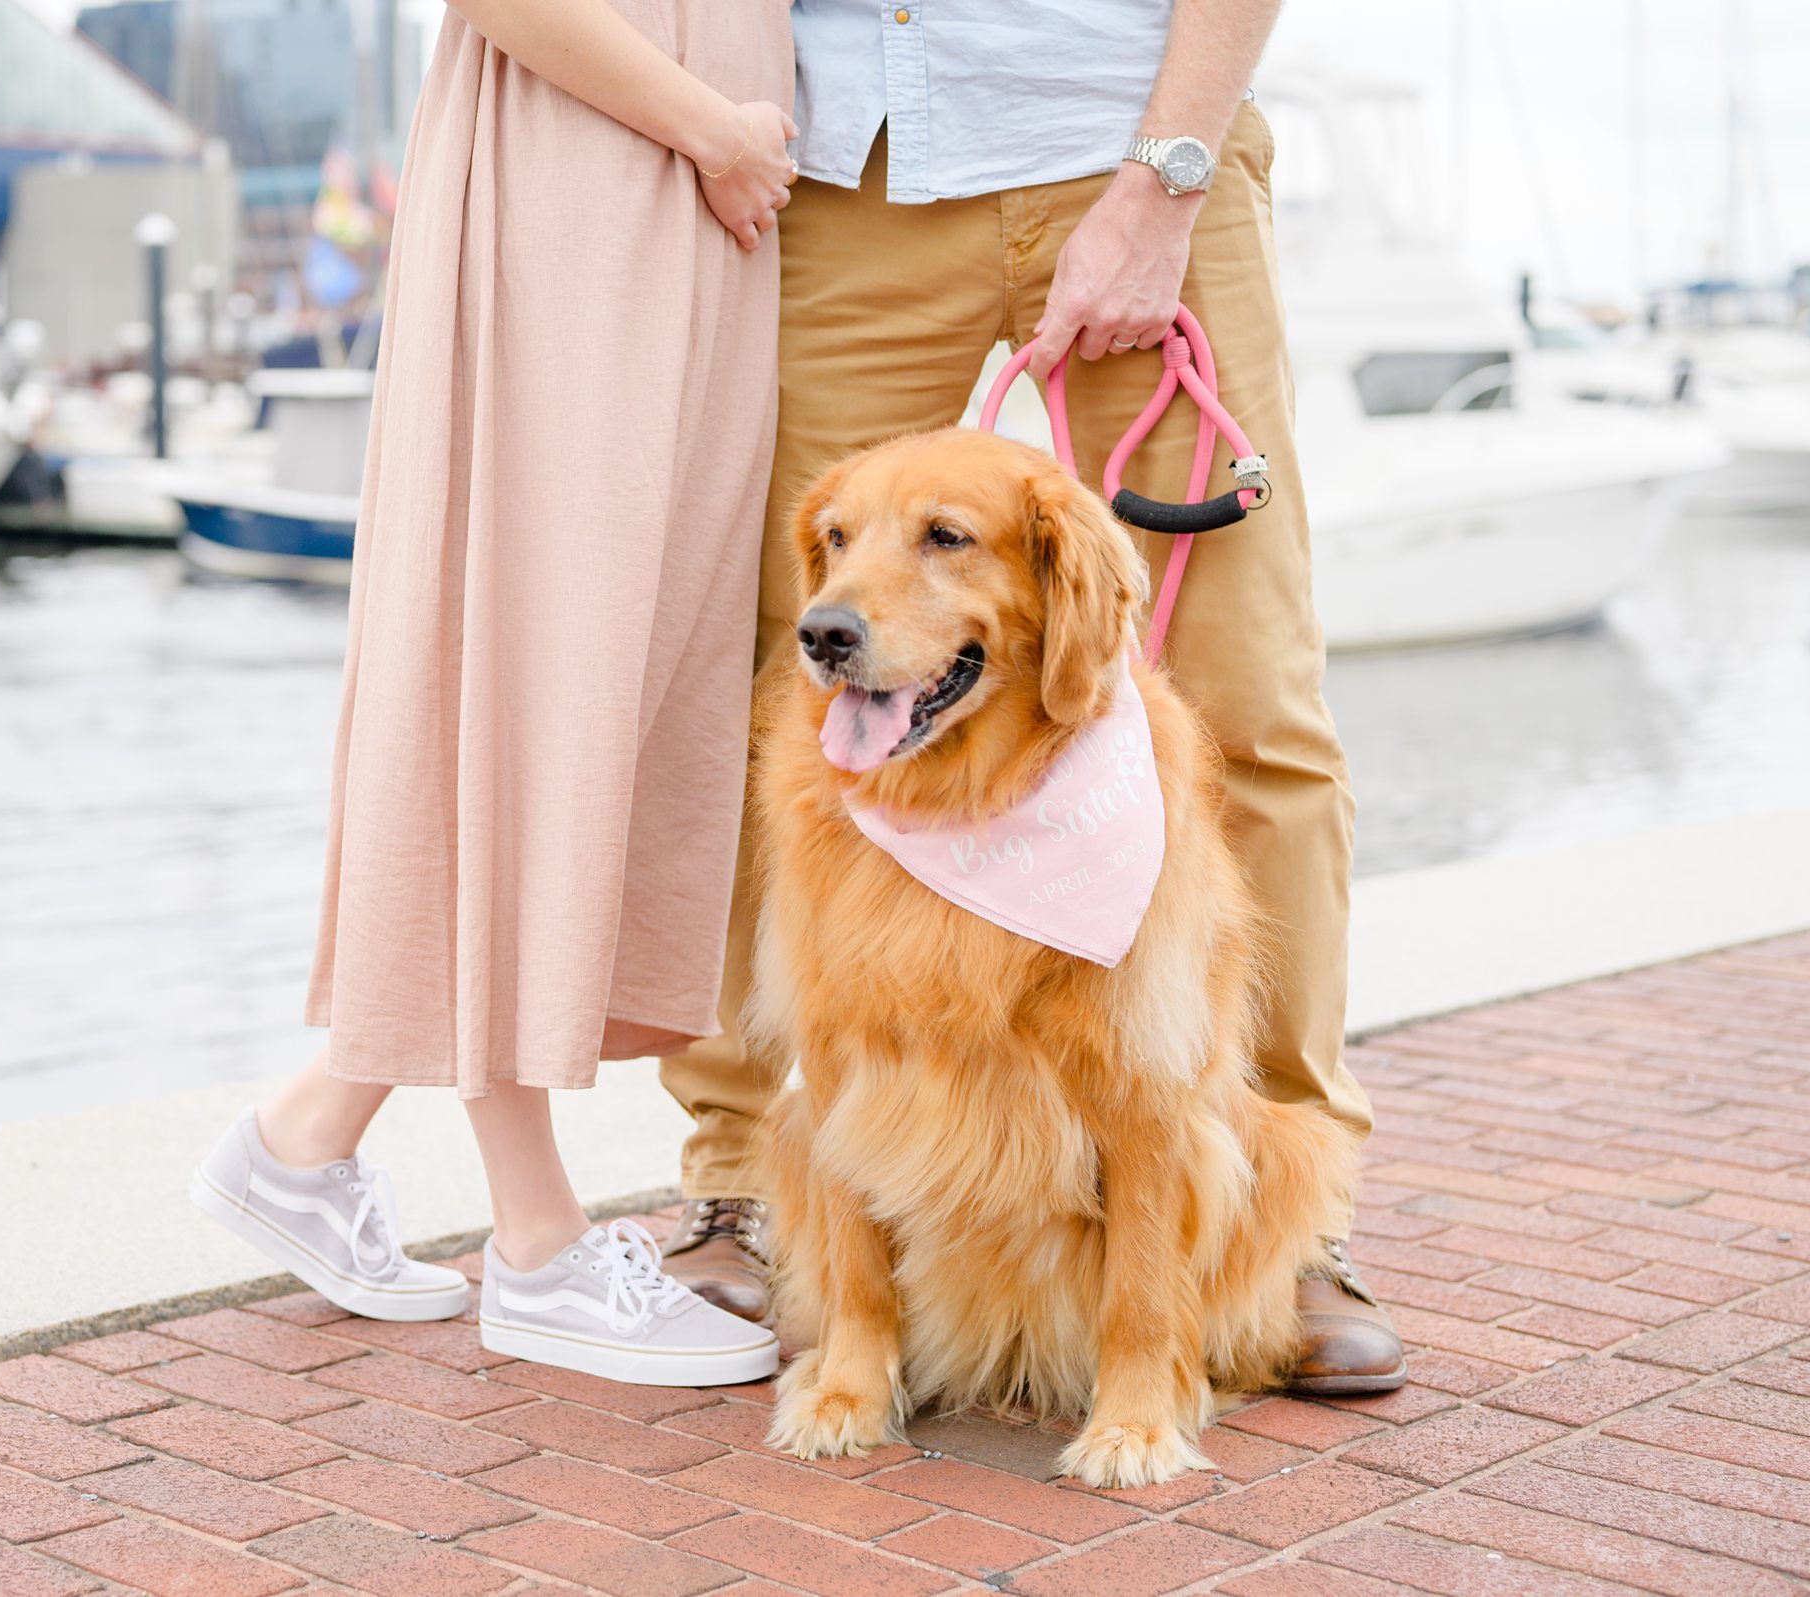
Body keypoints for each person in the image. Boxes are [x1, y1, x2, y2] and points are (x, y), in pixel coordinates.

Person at [655, 0, 1407, 1393]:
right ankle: (744, 1180)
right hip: (842, 186)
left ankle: (1280, 1210)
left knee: (1248, 714)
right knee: (799, 716)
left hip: (1131, 146)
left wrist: (1168, 172)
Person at [189, 0, 799, 1388]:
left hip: (679, 193)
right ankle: (537, 1239)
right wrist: (711, 127)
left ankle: (307, 1137)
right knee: (542, 667)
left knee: (611, 679)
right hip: (593, 174)